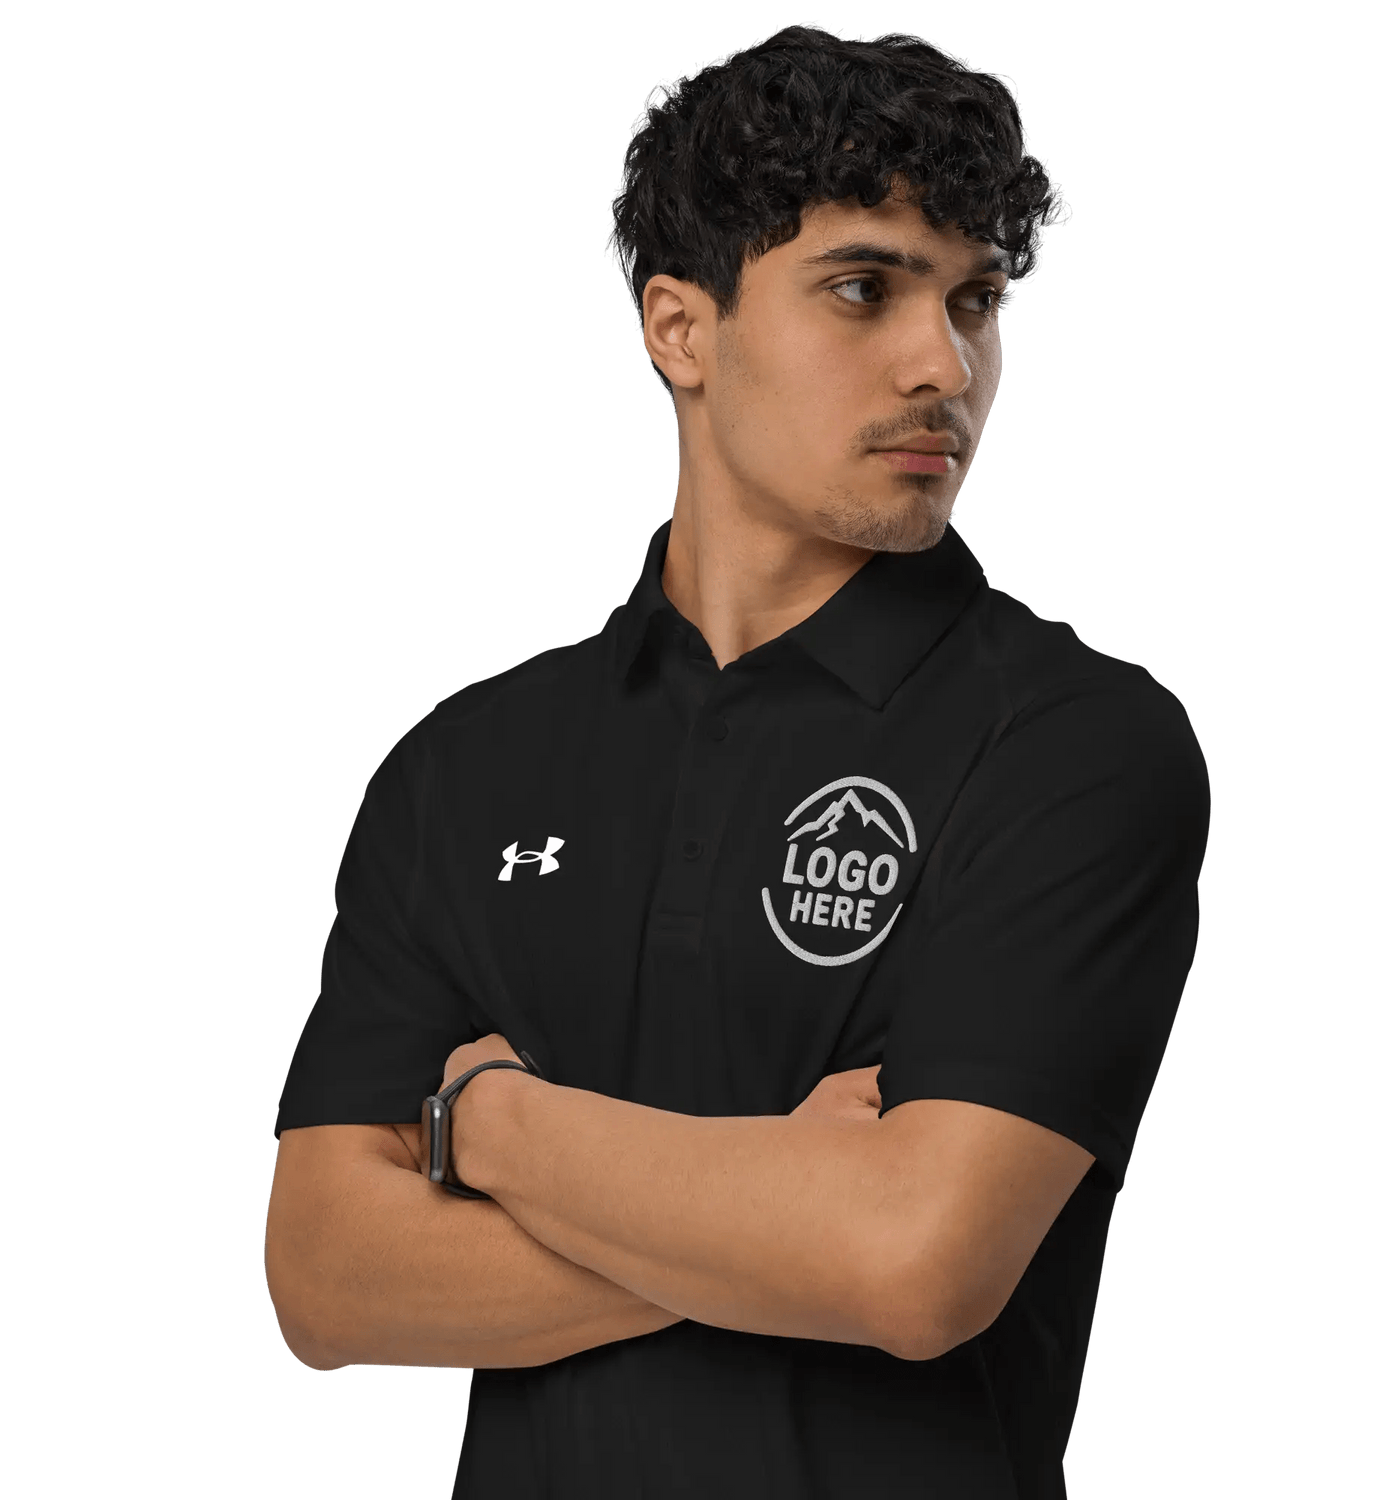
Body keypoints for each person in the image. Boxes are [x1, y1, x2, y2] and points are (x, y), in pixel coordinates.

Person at [264, 20, 1211, 1500]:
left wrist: (495, 1128)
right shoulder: (465, 763)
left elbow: (911, 1267)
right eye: (864, 287)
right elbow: (326, 1280)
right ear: (680, 330)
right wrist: (786, 1205)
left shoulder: (1074, 743)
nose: (944, 363)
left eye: (977, 299)